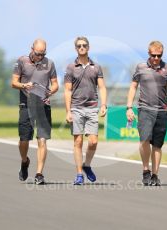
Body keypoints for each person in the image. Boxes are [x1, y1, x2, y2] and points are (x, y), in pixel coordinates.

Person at [126, 41, 167, 186]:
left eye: (159, 55)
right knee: (144, 140)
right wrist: (129, 107)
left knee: (157, 145)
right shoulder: (141, 67)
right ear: (148, 53)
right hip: (144, 109)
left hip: (162, 110)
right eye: (153, 55)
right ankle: (145, 170)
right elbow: (133, 86)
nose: (156, 58)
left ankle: (155, 175)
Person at [11, 39, 58, 185]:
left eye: (43, 54)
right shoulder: (21, 61)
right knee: (24, 140)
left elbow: (55, 84)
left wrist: (52, 91)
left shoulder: (50, 63)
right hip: (26, 103)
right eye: (38, 54)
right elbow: (14, 82)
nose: (40, 57)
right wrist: (24, 85)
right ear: (32, 49)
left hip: (43, 104)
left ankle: (39, 174)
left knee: (42, 139)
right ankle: (24, 161)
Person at [64, 36, 107, 185]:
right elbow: (67, 90)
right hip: (76, 107)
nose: (82, 47)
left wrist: (103, 105)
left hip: (92, 107)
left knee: (93, 142)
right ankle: (79, 174)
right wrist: (68, 111)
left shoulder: (96, 67)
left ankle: (87, 165)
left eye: (84, 45)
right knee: (78, 141)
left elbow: (101, 87)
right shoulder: (71, 67)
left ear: (88, 48)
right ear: (76, 49)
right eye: (79, 46)